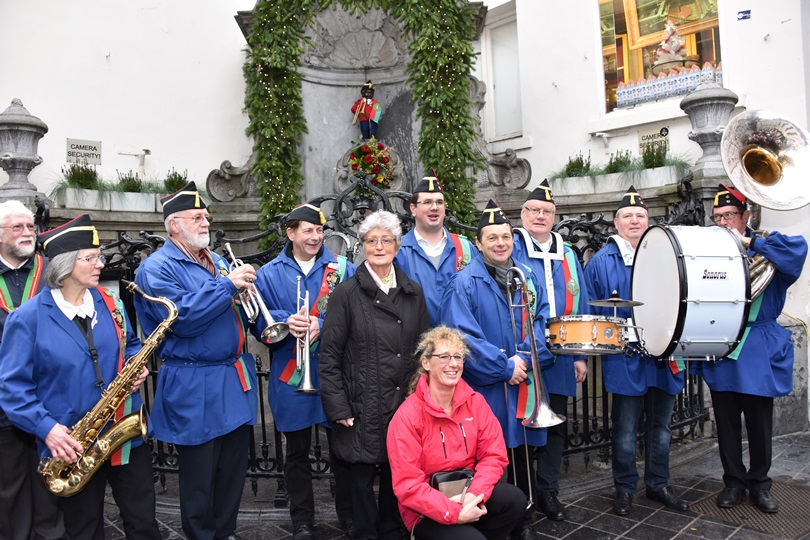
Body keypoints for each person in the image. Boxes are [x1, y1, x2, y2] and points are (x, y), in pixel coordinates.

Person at [0, 213, 159, 539]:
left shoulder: (111, 301)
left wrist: (135, 364)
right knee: (84, 528)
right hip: (72, 444)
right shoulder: (27, 319)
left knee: (143, 521)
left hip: (123, 431)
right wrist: (49, 430)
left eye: (98, 256)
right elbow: (13, 388)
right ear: (66, 265)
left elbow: (129, 342)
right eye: (91, 258)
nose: (100, 263)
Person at [134, 182, 259, 540]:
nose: (206, 222)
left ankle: (225, 533)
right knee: (200, 478)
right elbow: (181, 319)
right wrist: (227, 287)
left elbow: (237, 311)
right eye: (198, 216)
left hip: (232, 379)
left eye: (206, 215)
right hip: (194, 382)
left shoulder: (216, 260)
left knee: (232, 471)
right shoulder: (157, 268)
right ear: (174, 224)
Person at [439, 200, 553, 540]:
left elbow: (545, 324)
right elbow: (462, 337)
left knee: (523, 452)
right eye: (492, 238)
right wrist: (504, 367)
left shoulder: (528, 277)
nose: (500, 243)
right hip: (487, 389)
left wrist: (530, 360)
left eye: (505, 237)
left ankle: (525, 516)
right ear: (479, 243)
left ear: (513, 240)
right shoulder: (463, 283)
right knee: (491, 455)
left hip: (526, 382)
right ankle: (496, 519)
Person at [319, 209, 430, 540]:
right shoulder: (347, 293)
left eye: (386, 240)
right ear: (362, 246)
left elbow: (425, 351)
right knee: (362, 476)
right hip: (361, 405)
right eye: (372, 240)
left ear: (397, 245)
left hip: (402, 403)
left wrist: (422, 399)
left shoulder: (413, 291)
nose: (379, 246)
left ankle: (392, 531)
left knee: (398, 472)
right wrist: (338, 407)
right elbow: (330, 355)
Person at [700, 184, 807, 513]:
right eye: (717, 217)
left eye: (729, 215)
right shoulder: (707, 251)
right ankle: (733, 481)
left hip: (757, 347)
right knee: (726, 420)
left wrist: (749, 242)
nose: (722, 222)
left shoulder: (767, 250)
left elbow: (798, 250)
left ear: (746, 216)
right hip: (723, 346)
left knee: (760, 424)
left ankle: (760, 484)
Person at [583, 186, 689, 517]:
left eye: (640, 216)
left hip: (663, 355)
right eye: (627, 216)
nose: (634, 221)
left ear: (648, 221)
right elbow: (591, 310)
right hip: (626, 357)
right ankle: (625, 488)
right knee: (625, 429)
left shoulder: (666, 254)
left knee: (661, 426)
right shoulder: (601, 262)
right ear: (616, 223)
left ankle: (659, 484)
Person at [253, 203, 356, 540]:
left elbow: (359, 315)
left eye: (319, 230)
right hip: (289, 374)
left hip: (334, 375)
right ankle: (302, 521)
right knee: (295, 453)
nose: (316, 237)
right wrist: (286, 321)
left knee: (343, 450)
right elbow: (258, 323)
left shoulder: (343, 268)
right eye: (308, 230)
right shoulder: (268, 273)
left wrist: (322, 323)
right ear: (291, 233)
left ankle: (349, 515)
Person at [387, 326, 527, 540]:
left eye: (458, 357)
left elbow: (494, 455)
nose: (452, 364)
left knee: (514, 500)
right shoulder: (407, 416)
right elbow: (408, 485)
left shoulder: (475, 402)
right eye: (443, 357)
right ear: (426, 363)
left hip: (467, 492)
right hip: (425, 510)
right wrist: (455, 513)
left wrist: (472, 496)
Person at [511, 180, 590, 521]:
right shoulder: (510, 246)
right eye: (534, 211)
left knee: (556, 423)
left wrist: (581, 355)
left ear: (555, 216)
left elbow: (581, 299)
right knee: (521, 424)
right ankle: (520, 495)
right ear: (523, 214)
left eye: (546, 212)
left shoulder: (568, 253)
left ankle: (548, 490)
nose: (540, 216)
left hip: (560, 351)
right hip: (523, 349)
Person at [0, 200, 64, 540]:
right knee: (9, 487)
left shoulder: (52, 272)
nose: (27, 233)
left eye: (30, 227)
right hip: (4, 400)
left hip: (49, 398)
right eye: (17, 227)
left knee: (50, 483)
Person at [394, 175, 478, 325]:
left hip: (460, 342)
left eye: (439, 202)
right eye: (427, 202)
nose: (434, 207)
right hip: (416, 342)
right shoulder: (398, 251)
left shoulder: (465, 248)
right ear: (413, 209)